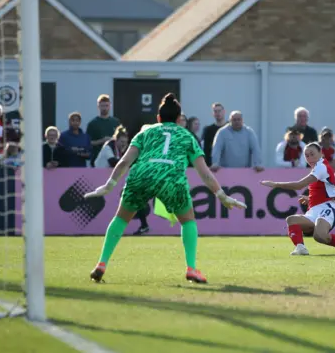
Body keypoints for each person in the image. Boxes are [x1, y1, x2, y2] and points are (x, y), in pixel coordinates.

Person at [84, 93, 247, 284]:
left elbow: (124, 162)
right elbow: (205, 173)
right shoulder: (186, 135)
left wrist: (109, 185)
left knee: (120, 218)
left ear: (158, 118)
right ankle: (191, 269)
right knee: (188, 221)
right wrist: (221, 195)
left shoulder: (145, 132)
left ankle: (101, 264)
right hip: (171, 177)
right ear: (179, 120)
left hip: (142, 174)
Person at [260, 142, 335, 257]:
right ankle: (300, 247)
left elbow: (299, 185)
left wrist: (275, 184)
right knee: (291, 220)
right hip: (314, 210)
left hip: (326, 209)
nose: (310, 158)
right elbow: (324, 190)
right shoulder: (318, 167)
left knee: (319, 236)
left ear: (321, 153)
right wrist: (311, 199)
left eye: (312, 154)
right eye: (307, 155)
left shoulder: (321, 166)